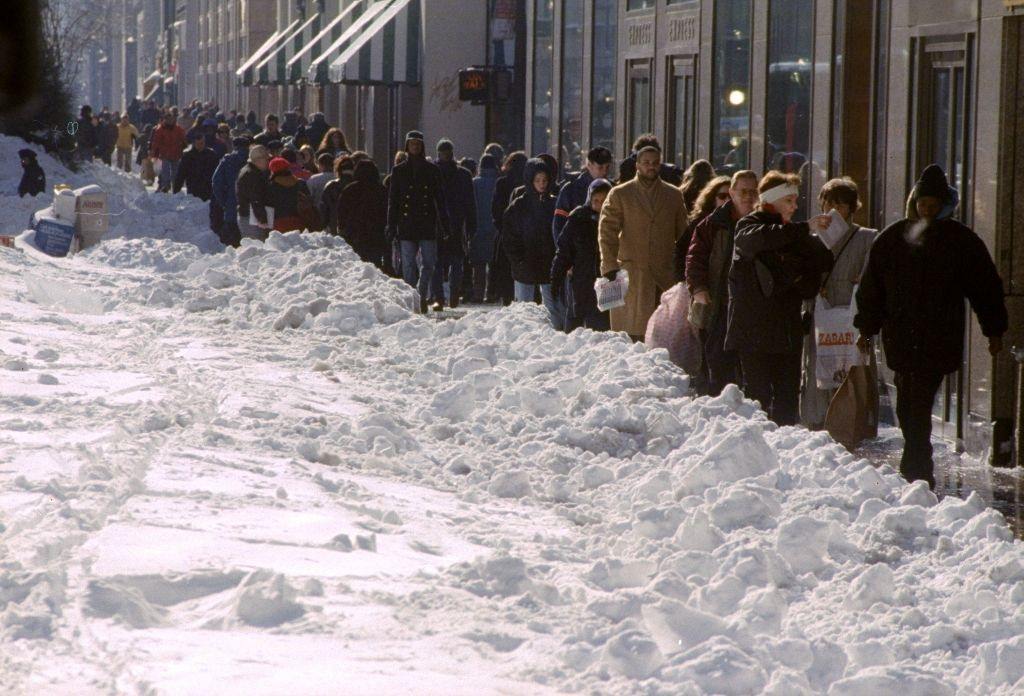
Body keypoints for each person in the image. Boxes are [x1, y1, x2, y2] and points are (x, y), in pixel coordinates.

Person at [854, 164, 1007, 488]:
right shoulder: (893, 238)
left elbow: (985, 289)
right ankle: (916, 456)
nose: (927, 209)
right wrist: (866, 329)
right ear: (915, 202)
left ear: (943, 205)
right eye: (923, 203)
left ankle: (917, 467)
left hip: (937, 337)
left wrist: (994, 330)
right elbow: (872, 289)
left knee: (919, 400)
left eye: (933, 204)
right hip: (902, 336)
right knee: (907, 401)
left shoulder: (959, 242)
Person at [725, 171, 834, 426]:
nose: (795, 207)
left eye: (796, 201)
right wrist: (805, 229)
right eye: (789, 201)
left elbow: (815, 274)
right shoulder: (748, 225)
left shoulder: (796, 235)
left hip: (786, 330)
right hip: (754, 332)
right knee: (758, 396)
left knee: (787, 397)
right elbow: (760, 238)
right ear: (770, 201)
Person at [798, 178, 878, 427]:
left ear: (852, 208)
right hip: (822, 308)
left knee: (853, 363)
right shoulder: (814, 238)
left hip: (852, 310)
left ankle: (854, 419)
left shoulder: (868, 238)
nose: (832, 212)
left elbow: (873, 274)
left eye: (839, 206)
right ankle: (819, 418)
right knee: (821, 362)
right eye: (827, 205)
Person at [598, 146, 689, 341]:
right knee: (630, 334)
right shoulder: (620, 194)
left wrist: (683, 271)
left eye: (655, 163)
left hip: (664, 275)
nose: (651, 167)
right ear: (637, 165)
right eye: (646, 163)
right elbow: (607, 233)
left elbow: (684, 237)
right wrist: (609, 265)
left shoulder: (673, 195)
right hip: (631, 274)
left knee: (663, 334)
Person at [685, 170, 759, 397]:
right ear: (732, 193)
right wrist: (698, 289)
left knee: (750, 369)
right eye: (743, 191)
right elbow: (694, 258)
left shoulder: (764, 223)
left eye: (753, 191)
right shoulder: (712, 224)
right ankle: (718, 408)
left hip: (753, 309)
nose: (748, 196)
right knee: (718, 362)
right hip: (720, 306)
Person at [386, 130, 451, 314]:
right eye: (412, 143)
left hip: (426, 222)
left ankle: (420, 293)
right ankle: (413, 299)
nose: (415, 146)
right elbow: (394, 200)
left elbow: (440, 199)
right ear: (407, 146)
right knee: (408, 264)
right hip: (406, 223)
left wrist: (445, 224)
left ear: (422, 146)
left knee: (429, 262)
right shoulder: (398, 171)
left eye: (418, 143)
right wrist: (391, 225)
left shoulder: (432, 171)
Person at [551, 178, 612, 332]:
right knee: (575, 329)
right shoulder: (578, 218)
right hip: (580, 283)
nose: (600, 205)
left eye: (604, 200)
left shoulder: (616, 219)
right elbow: (564, 251)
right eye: (596, 200)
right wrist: (556, 279)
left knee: (602, 330)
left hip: (607, 285)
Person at [503, 158, 559, 325]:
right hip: (525, 263)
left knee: (553, 306)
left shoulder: (554, 204)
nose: (542, 184)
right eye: (537, 181)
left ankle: (555, 336)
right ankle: (524, 336)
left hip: (549, 262)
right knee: (524, 308)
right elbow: (509, 237)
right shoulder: (518, 207)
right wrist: (518, 260)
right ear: (530, 181)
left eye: (545, 180)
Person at [431, 138, 477, 309]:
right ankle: (451, 295)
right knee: (453, 262)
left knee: (440, 263)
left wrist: (471, 224)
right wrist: (472, 225)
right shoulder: (463, 174)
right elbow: (470, 203)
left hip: (442, 224)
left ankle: (441, 297)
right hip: (454, 223)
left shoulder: (433, 173)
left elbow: (470, 203)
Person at [674, 175, 731, 282]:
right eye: (722, 196)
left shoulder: (742, 223)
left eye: (731, 196)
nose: (727, 200)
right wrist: (685, 281)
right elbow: (681, 253)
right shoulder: (700, 224)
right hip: (702, 285)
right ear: (713, 198)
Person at [489, 151, 528, 305]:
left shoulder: (502, 183)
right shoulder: (528, 183)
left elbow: (495, 209)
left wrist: (502, 228)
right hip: (524, 235)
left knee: (503, 269)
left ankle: (505, 298)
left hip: (505, 234)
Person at [337, 159, 388, 269]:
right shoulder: (381, 190)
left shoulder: (349, 190)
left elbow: (342, 212)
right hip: (376, 233)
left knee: (355, 265)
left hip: (355, 233)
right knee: (375, 265)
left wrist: (343, 228)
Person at [470, 154, 500, 303]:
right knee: (493, 263)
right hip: (494, 229)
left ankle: (478, 293)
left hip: (477, 228)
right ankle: (491, 293)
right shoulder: (498, 182)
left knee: (478, 265)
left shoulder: (474, 183)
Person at [212, 136, 251, 247]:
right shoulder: (253, 160)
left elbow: (216, 183)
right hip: (250, 209)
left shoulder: (227, 160)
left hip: (231, 207)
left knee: (232, 247)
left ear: (234, 146)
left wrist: (224, 202)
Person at [616, 134, 684, 186]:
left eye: (654, 162)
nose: (650, 166)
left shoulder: (671, 173)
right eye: (645, 162)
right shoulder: (671, 172)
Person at [173, 131, 220, 205]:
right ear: (194, 144)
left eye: (202, 143)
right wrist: (176, 191)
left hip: (208, 188)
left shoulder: (211, 155)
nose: (200, 146)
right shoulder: (188, 156)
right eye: (198, 144)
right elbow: (181, 174)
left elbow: (217, 172)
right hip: (193, 189)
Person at [266, 156, 311, 233]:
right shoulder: (301, 183)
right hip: (299, 221)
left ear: (272, 171)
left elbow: (268, 207)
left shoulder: (270, 187)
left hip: (278, 224)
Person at [236, 144, 272, 240]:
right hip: (252, 219)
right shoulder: (252, 175)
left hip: (249, 216)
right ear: (258, 160)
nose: (268, 162)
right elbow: (256, 199)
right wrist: (263, 219)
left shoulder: (249, 171)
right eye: (266, 159)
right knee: (257, 248)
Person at [150, 111, 187, 193]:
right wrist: (155, 152)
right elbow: (156, 142)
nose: (170, 121)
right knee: (165, 172)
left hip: (176, 153)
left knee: (175, 173)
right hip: (165, 154)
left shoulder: (178, 129)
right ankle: (165, 186)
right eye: (168, 119)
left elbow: (184, 138)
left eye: (171, 119)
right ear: (165, 120)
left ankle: (175, 188)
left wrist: (184, 146)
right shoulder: (160, 129)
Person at [320, 155, 354, 237]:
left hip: (335, 229)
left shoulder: (331, 186)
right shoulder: (358, 187)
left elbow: (324, 211)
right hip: (355, 231)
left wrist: (323, 226)